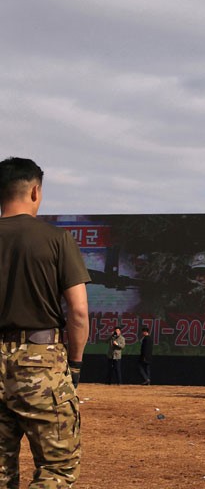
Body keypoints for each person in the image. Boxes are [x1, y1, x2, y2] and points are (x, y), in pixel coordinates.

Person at [0, 156, 90, 486]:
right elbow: (78, 312)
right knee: (57, 468)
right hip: (39, 362)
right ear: (35, 191)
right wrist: (75, 365)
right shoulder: (57, 240)